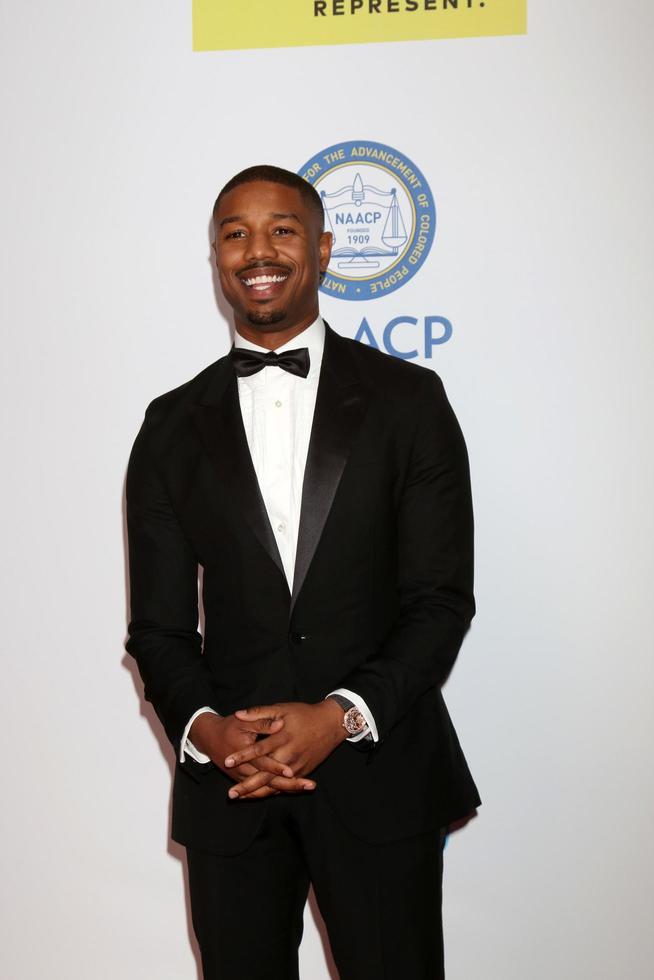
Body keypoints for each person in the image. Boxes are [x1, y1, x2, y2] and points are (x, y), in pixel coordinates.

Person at [125, 164, 480, 980]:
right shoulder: (170, 425)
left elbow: (440, 601)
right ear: (215, 256)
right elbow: (160, 628)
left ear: (321, 248)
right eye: (235, 233)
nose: (259, 250)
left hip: (377, 774)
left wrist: (340, 716)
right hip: (233, 793)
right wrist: (210, 731)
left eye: (282, 229)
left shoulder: (409, 399)